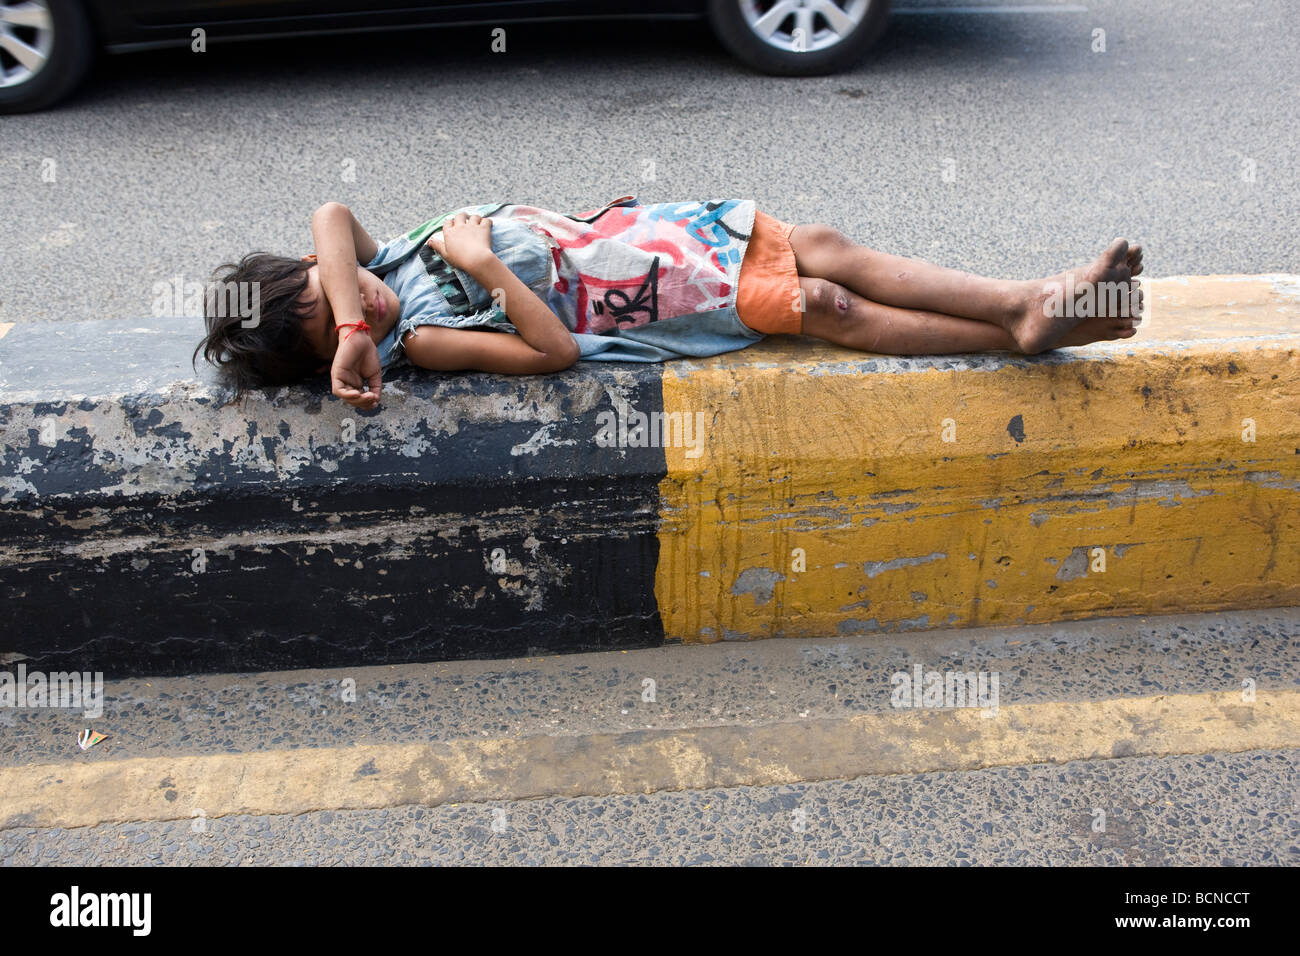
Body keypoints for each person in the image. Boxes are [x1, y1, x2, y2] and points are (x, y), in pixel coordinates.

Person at [195, 196, 1143, 410]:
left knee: (824, 247)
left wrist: (349, 317)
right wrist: (484, 271)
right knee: (821, 303)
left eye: (335, 285)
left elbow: (329, 214)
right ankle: (1022, 323)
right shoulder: (428, 341)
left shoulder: (379, 264)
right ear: (332, 359)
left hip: (654, 234)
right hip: (645, 302)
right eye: (335, 316)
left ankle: (1021, 305)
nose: (352, 290)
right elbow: (552, 353)